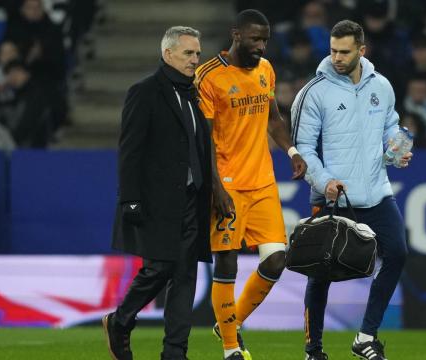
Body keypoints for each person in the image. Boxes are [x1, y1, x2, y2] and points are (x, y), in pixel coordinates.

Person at [291, 19, 412, 360]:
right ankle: (313, 350)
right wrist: (324, 180)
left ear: (362, 50)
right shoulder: (314, 92)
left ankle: (365, 336)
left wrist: (398, 149)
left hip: (376, 191)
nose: (337, 58)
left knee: (398, 253)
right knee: (320, 272)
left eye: (344, 52)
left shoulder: (382, 86)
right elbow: (303, 147)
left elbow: (392, 125)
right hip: (333, 195)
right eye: (332, 51)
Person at [195, 9, 307, 360]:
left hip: (262, 183)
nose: (261, 46)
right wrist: (216, 189)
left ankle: (230, 322)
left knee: (277, 261)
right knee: (226, 263)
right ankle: (230, 348)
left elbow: (273, 118)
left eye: (265, 40)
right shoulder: (209, 76)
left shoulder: (266, 70)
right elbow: (204, 140)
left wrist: (291, 150)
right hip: (226, 183)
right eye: (255, 39)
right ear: (236, 34)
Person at [104, 26, 213, 360]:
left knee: (185, 275)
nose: (195, 59)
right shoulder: (145, 91)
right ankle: (121, 320)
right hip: (156, 202)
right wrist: (131, 199)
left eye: (197, 53)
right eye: (188, 53)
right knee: (159, 268)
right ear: (168, 54)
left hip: (192, 200)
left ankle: (175, 352)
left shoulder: (194, 95)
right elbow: (130, 151)